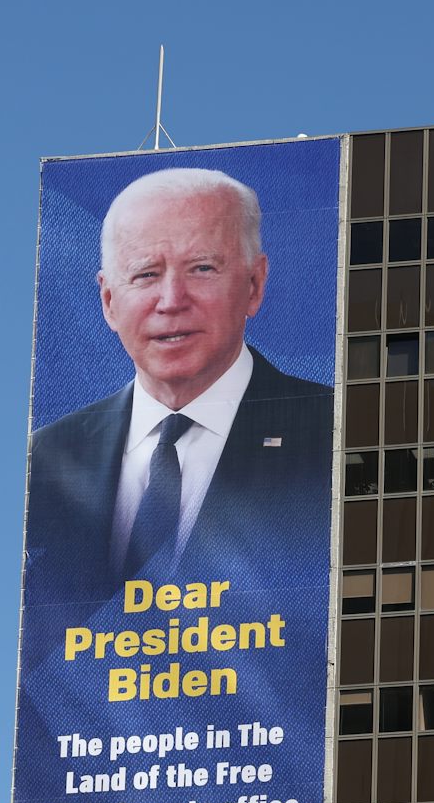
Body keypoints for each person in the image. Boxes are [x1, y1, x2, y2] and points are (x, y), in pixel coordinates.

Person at [25, 167, 332, 605]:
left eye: (202, 268)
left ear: (254, 284)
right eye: (146, 274)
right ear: (109, 301)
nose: (171, 301)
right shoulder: (49, 460)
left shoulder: (338, 434)